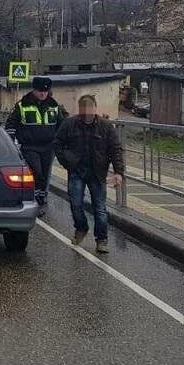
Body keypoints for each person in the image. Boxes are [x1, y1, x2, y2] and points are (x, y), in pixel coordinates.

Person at [54, 94, 125, 253]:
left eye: (90, 110)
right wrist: (66, 161)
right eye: (84, 110)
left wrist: (119, 172)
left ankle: (101, 239)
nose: (87, 114)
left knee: (99, 208)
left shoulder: (106, 127)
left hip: (97, 172)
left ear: (95, 109)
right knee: (75, 203)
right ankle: (81, 227)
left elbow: (116, 150)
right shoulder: (70, 124)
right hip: (77, 171)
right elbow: (57, 143)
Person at [5, 76, 66, 217]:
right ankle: (37, 199)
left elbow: (61, 125)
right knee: (36, 172)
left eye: (45, 91)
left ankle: (42, 198)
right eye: (40, 91)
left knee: (45, 173)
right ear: (34, 90)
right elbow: (11, 124)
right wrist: (11, 142)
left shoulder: (53, 105)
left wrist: (62, 141)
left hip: (49, 147)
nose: (43, 94)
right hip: (29, 146)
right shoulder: (22, 105)